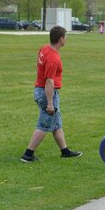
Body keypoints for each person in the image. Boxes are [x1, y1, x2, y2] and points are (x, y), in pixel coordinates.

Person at [21, 26, 82, 162]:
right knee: (45, 123)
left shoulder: (44, 48)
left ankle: (65, 151)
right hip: (47, 93)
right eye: (65, 37)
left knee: (56, 123)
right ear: (61, 39)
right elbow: (49, 81)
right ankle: (28, 154)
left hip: (40, 89)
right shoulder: (53, 58)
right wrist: (49, 103)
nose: (66, 39)